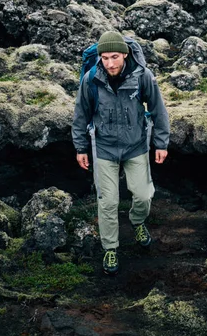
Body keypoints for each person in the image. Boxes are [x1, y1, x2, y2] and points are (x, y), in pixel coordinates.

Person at [72, 30, 170, 275]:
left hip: (136, 145)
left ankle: (137, 221)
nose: (110, 63)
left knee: (143, 194)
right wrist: (81, 148)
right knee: (108, 202)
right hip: (104, 148)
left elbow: (158, 110)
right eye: (105, 58)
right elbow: (80, 115)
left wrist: (161, 143)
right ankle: (111, 247)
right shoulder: (91, 79)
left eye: (114, 57)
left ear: (125, 55)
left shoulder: (142, 76)